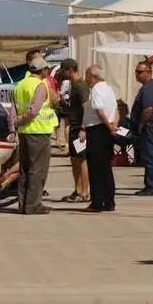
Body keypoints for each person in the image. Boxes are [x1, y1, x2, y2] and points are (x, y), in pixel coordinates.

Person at [12, 56, 58, 214]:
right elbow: (34, 111)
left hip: (25, 132)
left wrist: (16, 123)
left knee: (25, 169)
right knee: (38, 170)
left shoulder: (20, 84)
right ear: (43, 70)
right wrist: (21, 121)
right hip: (38, 131)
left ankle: (23, 203)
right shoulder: (40, 85)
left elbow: (14, 108)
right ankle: (33, 205)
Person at [78, 64, 118, 212]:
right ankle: (109, 201)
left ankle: (97, 201)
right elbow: (116, 109)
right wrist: (114, 126)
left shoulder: (96, 90)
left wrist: (108, 126)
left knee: (95, 168)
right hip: (106, 129)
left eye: (87, 75)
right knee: (106, 167)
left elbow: (100, 111)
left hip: (98, 129)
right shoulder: (108, 88)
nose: (86, 78)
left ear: (94, 77)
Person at [57, 59, 90, 203]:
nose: (63, 74)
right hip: (74, 127)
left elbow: (86, 107)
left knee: (82, 160)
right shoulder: (73, 85)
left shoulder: (81, 86)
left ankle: (84, 191)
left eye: (64, 70)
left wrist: (83, 128)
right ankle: (77, 190)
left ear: (70, 70)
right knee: (74, 159)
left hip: (79, 128)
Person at [130, 61, 153, 196]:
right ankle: (150, 185)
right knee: (149, 156)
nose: (137, 75)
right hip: (150, 126)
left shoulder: (149, 88)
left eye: (140, 72)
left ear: (148, 73)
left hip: (149, 127)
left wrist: (141, 124)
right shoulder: (148, 87)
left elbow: (148, 109)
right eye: (136, 72)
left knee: (150, 157)